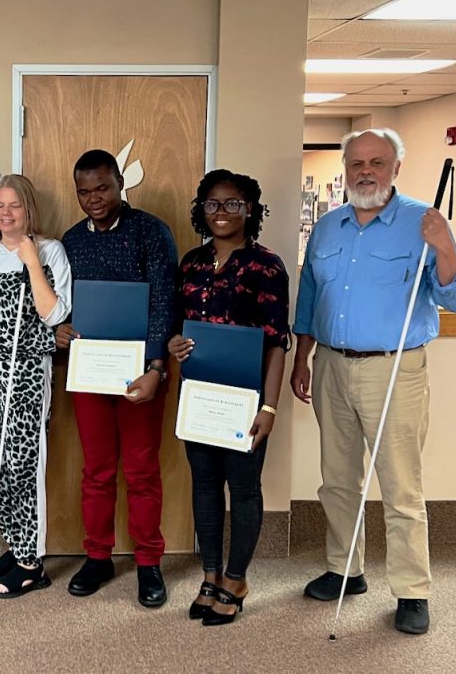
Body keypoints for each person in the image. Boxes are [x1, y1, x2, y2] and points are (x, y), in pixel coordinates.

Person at [291, 128, 456, 635]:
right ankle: (345, 570)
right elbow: (310, 299)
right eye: (356, 163)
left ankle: (412, 590)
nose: (365, 171)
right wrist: (302, 356)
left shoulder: (425, 221)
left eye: (377, 161)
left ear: (396, 167)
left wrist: (443, 246)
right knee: (337, 478)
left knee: (400, 485)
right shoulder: (328, 228)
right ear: (345, 169)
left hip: (394, 369)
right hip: (331, 364)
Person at [167, 170, 290, 626]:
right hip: (198, 394)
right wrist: (174, 345)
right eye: (213, 204)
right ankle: (211, 574)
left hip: (245, 398)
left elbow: (278, 342)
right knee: (203, 486)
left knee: (242, 488)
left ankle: (236, 579)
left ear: (251, 210)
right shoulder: (191, 263)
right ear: (201, 209)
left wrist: (270, 407)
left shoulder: (267, 266)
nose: (221, 213)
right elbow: (179, 328)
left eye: (232, 204)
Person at [57, 149, 178, 608]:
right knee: (97, 470)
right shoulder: (71, 240)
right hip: (90, 372)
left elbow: (165, 302)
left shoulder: (151, 231)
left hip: (141, 373)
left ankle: (149, 562)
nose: (94, 199)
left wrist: (156, 369)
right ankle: (98, 556)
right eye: (84, 191)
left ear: (119, 184)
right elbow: (60, 301)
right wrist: (60, 329)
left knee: (143, 470)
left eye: (102, 188)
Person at [0, 174, 71, 598]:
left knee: (23, 465)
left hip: (26, 372)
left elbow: (54, 314)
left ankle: (31, 564)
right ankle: (17, 545)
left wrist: (32, 262)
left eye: (15, 205)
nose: (6, 213)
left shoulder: (50, 251)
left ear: (28, 210)